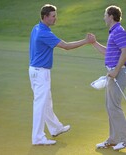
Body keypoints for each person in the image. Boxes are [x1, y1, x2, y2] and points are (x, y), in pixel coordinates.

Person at [29, 4, 94, 145]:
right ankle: (38, 138)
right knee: (40, 105)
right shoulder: (44, 33)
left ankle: (55, 128)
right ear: (45, 17)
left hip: (35, 70)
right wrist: (86, 41)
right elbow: (66, 46)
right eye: (53, 16)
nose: (55, 18)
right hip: (40, 72)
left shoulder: (36, 27)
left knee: (46, 102)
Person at [91, 5, 126, 150]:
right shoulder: (113, 32)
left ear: (111, 16)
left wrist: (116, 70)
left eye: (105, 14)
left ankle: (123, 139)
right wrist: (93, 42)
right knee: (110, 106)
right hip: (113, 73)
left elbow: (125, 51)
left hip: (118, 73)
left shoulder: (118, 31)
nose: (104, 17)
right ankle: (113, 139)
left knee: (114, 107)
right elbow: (108, 52)